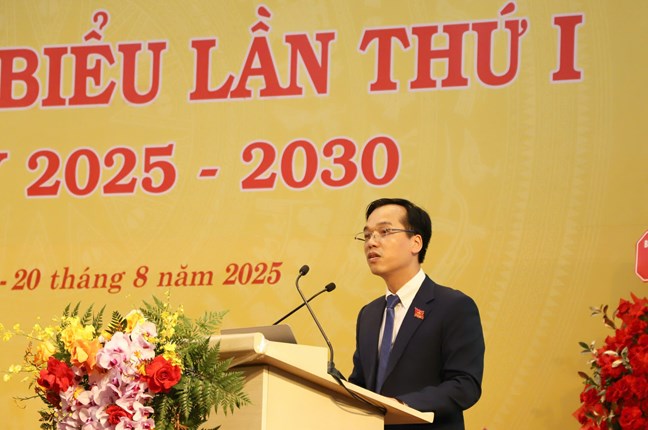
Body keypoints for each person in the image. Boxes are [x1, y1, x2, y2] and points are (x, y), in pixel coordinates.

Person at [349, 198, 485, 430]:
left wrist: (402, 405)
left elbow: (465, 385)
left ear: (416, 243)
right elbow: (361, 384)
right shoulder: (368, 314)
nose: (372, 242)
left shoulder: (453, 306)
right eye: (368, 235)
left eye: (384, 232)